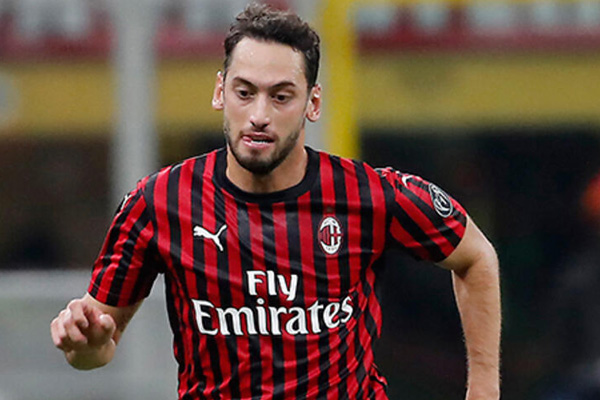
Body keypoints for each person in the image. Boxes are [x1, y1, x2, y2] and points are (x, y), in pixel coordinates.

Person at [50, 3, 501, 399]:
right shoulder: (158, 203)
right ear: (220, 92)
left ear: (312, 103)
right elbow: (96, 346)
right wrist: (84, 343)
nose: (259, 116)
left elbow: (475, 257)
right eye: (244, 93)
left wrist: (483, 390)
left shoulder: (369, 195)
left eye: (281, 96)